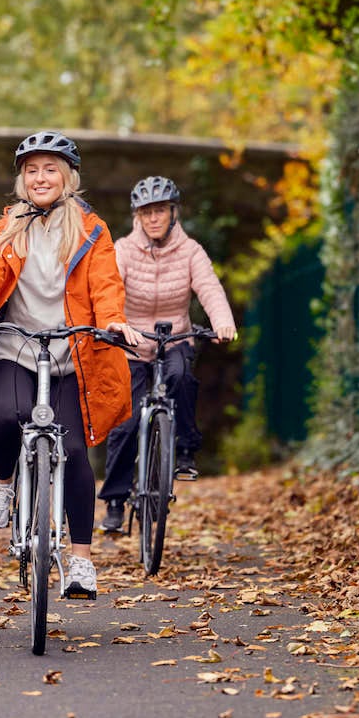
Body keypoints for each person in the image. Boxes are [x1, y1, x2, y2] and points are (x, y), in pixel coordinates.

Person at [0, 131, 139, 599]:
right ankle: (4, 483)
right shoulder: (9, 227)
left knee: (73, 454)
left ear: (68, 177)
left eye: (50, 169)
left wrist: (112, 322)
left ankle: (81, 561)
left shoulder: (92, 229)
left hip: (71, 354)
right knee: (8, 418)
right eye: (31, 170)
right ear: (21, 179)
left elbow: (106, 285)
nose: (40, 177)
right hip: (16, 348)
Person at [98, 175, 237, 533]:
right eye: (147, 212)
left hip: (173, 338)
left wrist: (222, 323)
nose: (154, 218)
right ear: (137, 217)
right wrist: (111, 325)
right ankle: (114, 499)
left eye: (160, 211)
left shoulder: (190, 251)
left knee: (181, 378)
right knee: (125, 421)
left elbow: (209, 288)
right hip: (132, 342)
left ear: (173, 213)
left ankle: (185, 451)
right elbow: (110, 290)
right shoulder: (124, 250)